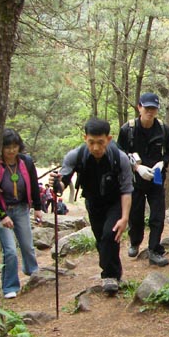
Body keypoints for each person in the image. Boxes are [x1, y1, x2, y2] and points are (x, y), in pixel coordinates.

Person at [52, 118, 133, 295]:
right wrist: (56, 184)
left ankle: (109, 277)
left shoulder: (120, 159)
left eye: (100, 142)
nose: (96, 147)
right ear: (85, 138)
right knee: (102, 240)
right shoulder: (76, 156)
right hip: (93, 202)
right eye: (91, 142)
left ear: (109, 139)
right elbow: (63, 183)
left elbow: (127, 189)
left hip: (115, 202)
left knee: (109, 234)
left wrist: (125, 217)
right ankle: (116, 273)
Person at [117, 92, 169, 267]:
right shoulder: (128, 129)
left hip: (156, 176)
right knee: (135, 213)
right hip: (135, 177)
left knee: (157, 213)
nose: (150, 112)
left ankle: (154, 249)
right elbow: (120, 152)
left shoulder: (163, 129)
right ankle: (135, 241)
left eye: (154, 108)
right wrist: (136, 166)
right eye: (147, 108)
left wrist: (161, 164)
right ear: (139, 108)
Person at [0, 128, 43, 299]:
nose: (11, 150)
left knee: (28, 246)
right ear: (1, 147)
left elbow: (35, 186)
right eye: (7, 147)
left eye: (15, 146)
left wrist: (38, 207)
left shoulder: (26, 162)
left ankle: (33, 272)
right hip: (1, 212)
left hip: (21, 208)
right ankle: (10, 287)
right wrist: (2, 216)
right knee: (10, 250)